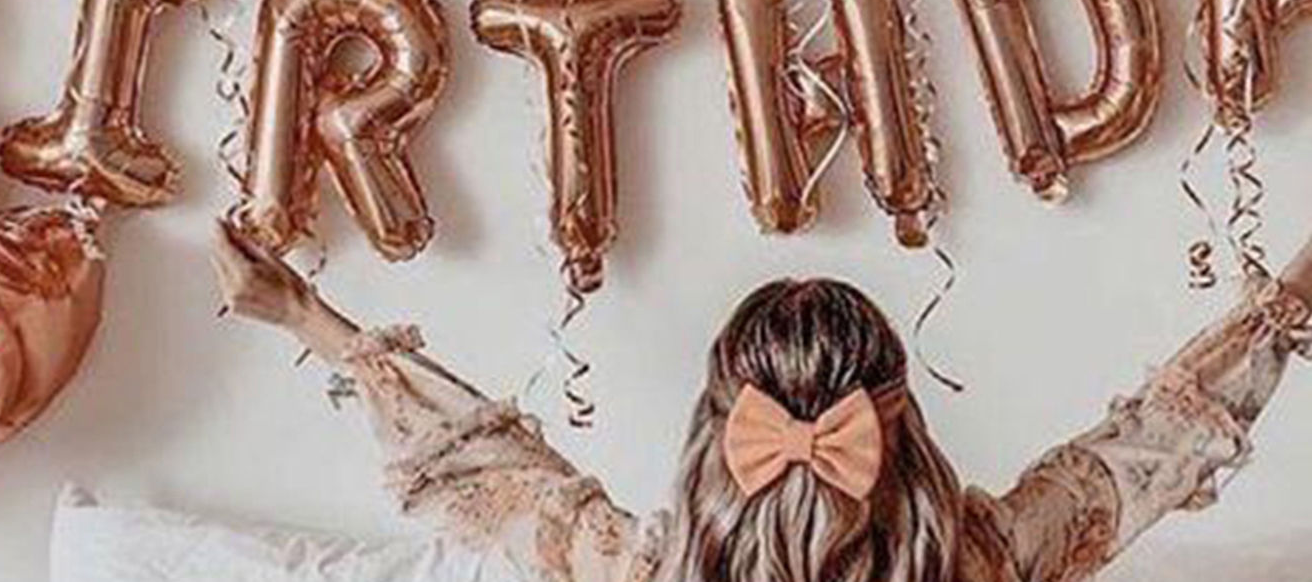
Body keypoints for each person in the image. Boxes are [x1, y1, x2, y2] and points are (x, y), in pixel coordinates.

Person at [214, 221, 1311, 582]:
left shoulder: (650, 570)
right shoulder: (982, 559)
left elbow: (487, 467)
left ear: (716, 429)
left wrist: (308, 316)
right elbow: (1146, 446)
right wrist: (1293, 297)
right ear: (901, 430)